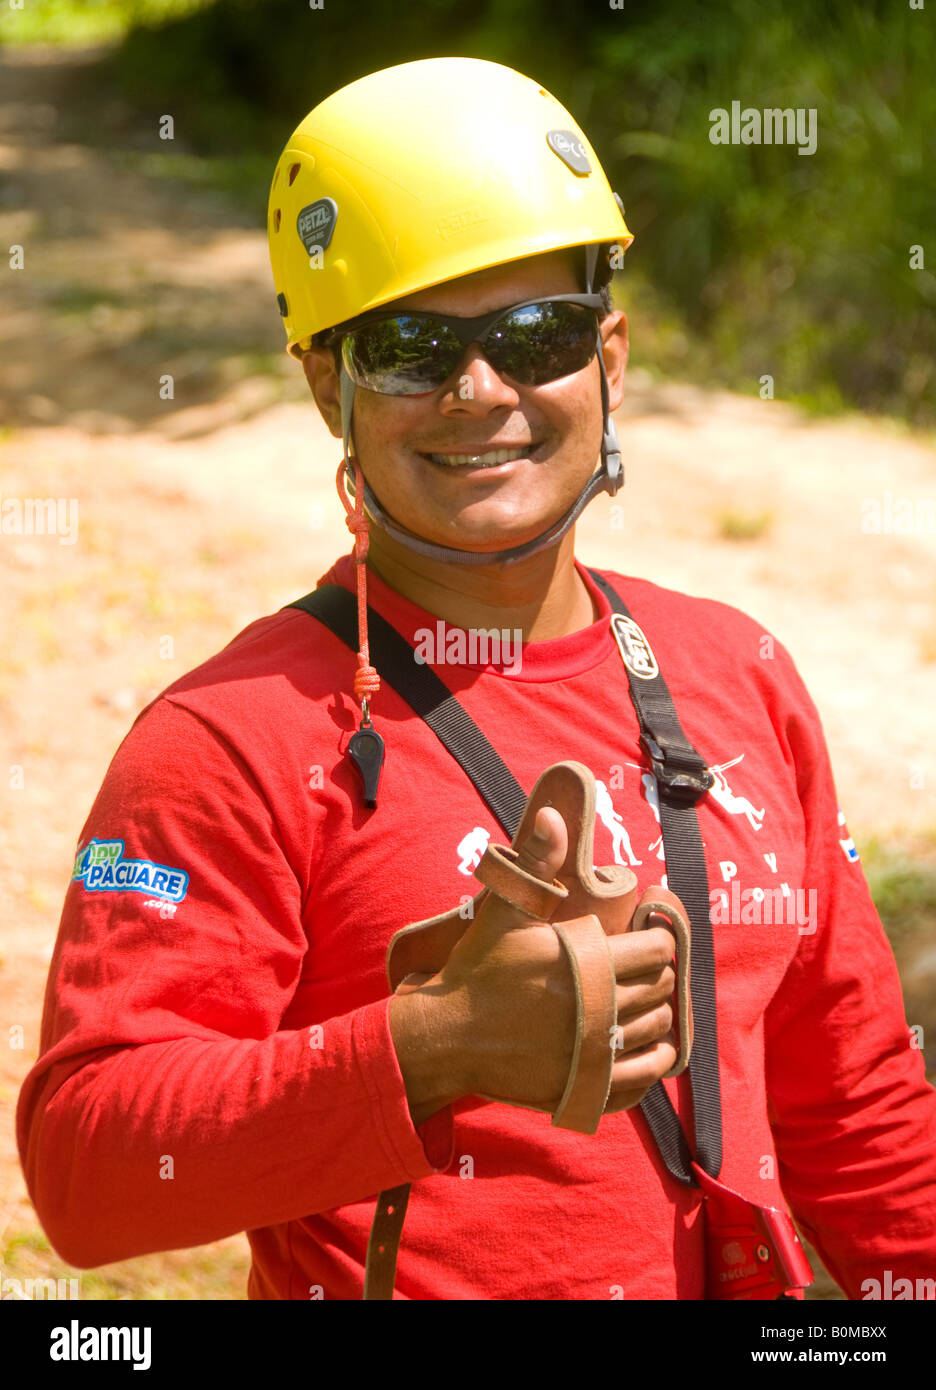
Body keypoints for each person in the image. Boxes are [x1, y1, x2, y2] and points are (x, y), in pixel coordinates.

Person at [17, 57, 936, 1302]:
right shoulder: (227, 737)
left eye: (536, 334)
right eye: (408, 348)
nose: (481, 390)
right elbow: (89, 1169)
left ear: (609, 353)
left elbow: (856, 1107)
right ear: (323, 382)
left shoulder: (742, 673)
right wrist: (436, 1045)